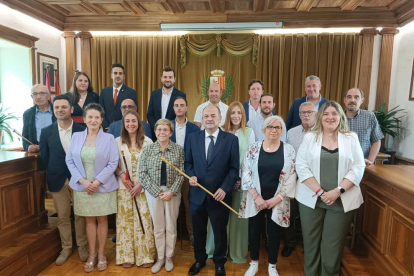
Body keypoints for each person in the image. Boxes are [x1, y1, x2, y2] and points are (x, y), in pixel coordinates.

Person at [296, 101, 365, 276]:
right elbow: (301, 166)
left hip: (340, 200)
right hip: (311, 199)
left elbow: (358, 167)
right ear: (320, 117)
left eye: (334, 113)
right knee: (311, 243)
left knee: (332, 245)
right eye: (326, 114)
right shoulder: (310, 137)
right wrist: (320, 192)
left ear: (340, 116)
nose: (330, 117)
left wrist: (337, 191)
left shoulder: (351, 138)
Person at [239, 115, 296, 276]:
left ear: (281, 130)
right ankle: (254, 263)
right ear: (264, 129)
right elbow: (245, 171)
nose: (274, 130)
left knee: (274, 233)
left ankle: (272, 265)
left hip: (277, 200)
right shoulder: (253, 148)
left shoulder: (289, 149)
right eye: (270, 127)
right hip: (255, 198)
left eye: (277, 127)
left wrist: (277, 198)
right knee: (254, 232)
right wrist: (256, 196)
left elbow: (292, 175)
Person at [186, 105, 239, 276]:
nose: (209, 118)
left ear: (220, 118)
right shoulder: (192, 138)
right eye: (206, 115)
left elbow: (233, 169)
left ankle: (219, 263)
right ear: (202, 118)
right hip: (197, 195)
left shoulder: (231, 140)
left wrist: (225, 188)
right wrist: (191, 176)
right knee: (199, 231)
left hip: (219, 196)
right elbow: (188, 164)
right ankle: (199, 260)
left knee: (219, 232)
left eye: (213, 115)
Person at [66, 103, 119, 273]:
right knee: (89, 220)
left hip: (102, 187)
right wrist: (82, 180)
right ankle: (92, 254)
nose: (93, 120)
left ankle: (102, 254)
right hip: (82, 187)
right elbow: (70, 161)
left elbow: (113, 163)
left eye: (97, 117)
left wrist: (96, 182)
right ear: (84, 119)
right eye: (90, 117)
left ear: (101, 119)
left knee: (102, 220)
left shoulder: (109, 138)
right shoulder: (76, 137)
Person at [39, 94, 87, 265]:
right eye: (57, 107)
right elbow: (44, 158)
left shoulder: (83, 130)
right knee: (63, 217)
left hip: (80, 180)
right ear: (54, 110)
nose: (60, 110)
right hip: (57, 180)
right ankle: (66, 247)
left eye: (64, 107)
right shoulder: (46, 132)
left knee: (81, 215)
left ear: (71, 109)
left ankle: (83, 246)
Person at [206, 101, 255, 263]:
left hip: (241, 184)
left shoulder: (249, 132)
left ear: (243, 115)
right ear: (227, 116)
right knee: (219, 219)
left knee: (237, 219)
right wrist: (226, 182)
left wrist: (239, 179)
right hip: (221, 185)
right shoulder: (221, 132)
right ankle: (216, 251)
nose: (235, 116)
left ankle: (236, 252)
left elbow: (250, 159)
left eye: (239, 113)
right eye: (232, 113)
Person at [139, 119, 185, 273]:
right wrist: (157, 192)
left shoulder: (178, 150)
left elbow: (181, 174)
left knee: (171, 226)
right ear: (155, 132)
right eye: (159, 130)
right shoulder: (148, 150)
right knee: (158, 227)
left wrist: (171, 191)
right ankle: (160, 258)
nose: (162, 132)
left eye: (165, 130)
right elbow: (142, 174)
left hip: (172, 192)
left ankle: (169, 257)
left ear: (171, 133)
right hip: (154, 193)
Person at [114, 110, 156, 268]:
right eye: (127, 121)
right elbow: (114, 165)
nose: (131, 124)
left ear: (139, 123)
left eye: (134, 121)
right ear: (123, 124)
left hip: (143, 188)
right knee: (125, 222)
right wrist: (122, 174)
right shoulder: (117, 142)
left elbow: (152, 167)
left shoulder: (148, 142)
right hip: (124, 187)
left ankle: (145, 255)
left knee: (143, 220)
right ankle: (126, 256)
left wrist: (141, 184)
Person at [282, 102, 317, 257]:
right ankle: (289, 242)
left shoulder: (322, 132)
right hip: (293, 178)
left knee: (310, 213)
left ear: (315, 113)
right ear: (299, 115)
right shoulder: (291, 132)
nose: (306, 115)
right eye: (303, 112)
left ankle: (310, 244)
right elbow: (286, 154)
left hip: (314, 179)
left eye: (309, 112)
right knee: (289, 210)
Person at [170, 96, 200, 247]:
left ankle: (193, 236)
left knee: (189, 206)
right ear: (173, 108)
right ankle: (171, 237)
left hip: (189, 173)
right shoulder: (167, 126)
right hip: (171, 173)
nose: (179, 108)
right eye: (176, 105)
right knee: (172, 206)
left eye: (182, 105)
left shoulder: (195, 128)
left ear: (187, 108)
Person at [344, 88, 384, 166]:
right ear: (344, 100)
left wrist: (370, 160)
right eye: (349, 97)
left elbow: (376, 140)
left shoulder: (369, 116)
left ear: (362, 100)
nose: (352, 100)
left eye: (356, 97)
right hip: (341, 163)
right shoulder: (336, 117)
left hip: (363, 164)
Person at [147, 66, 186, 141]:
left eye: (170, 77)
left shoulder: (181, 95)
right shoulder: (154, 94)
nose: (167, 79)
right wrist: (157, 128)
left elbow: (181, 115)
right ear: (161, 78)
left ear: (174, 79)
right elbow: (150, 114)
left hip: (173, 134)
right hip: (156, 134)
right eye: (165, 77)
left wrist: (169, 129)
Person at [99, 63, 138, 130]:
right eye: (115, 73)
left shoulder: (131, 92)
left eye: (120, 73)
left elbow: (134, 112)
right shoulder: (104, 91)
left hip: (124, 128)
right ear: (111, 75)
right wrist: (106, 126)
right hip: (107, 128)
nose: (118, 76)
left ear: (124, 76)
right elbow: (100, 110)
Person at [22, 84, 56, 152]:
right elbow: (24, 137)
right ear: (32, 97)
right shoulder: (27, 114)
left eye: (42, 93)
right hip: (36, 153)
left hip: (55, 151)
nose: (38, 97)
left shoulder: (57, 111)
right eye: (35, 94)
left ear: (48, 96)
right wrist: (28, 147)